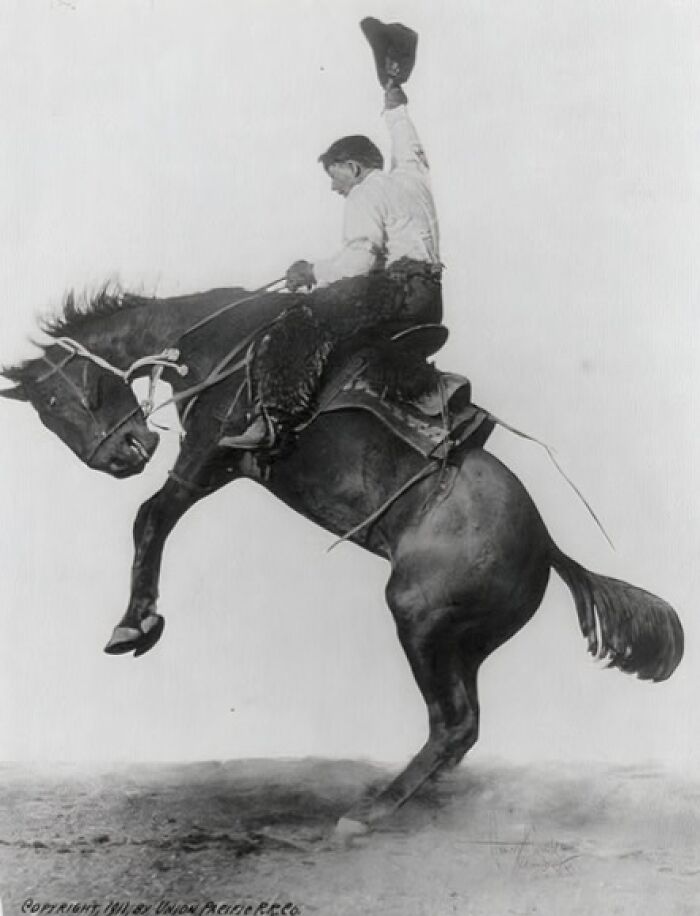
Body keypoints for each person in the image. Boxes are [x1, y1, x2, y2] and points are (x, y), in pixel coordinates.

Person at [221, 18, 444, 450]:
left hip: (397, 292)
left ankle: (274, 421)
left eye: (334, 174)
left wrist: (311, 272)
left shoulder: (365, 193)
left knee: (295, 322)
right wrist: (392, 94)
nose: (333, 185)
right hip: (431, 297)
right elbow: (405, 136)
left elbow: (360, 261)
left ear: (354, 168)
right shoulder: (414, 177)